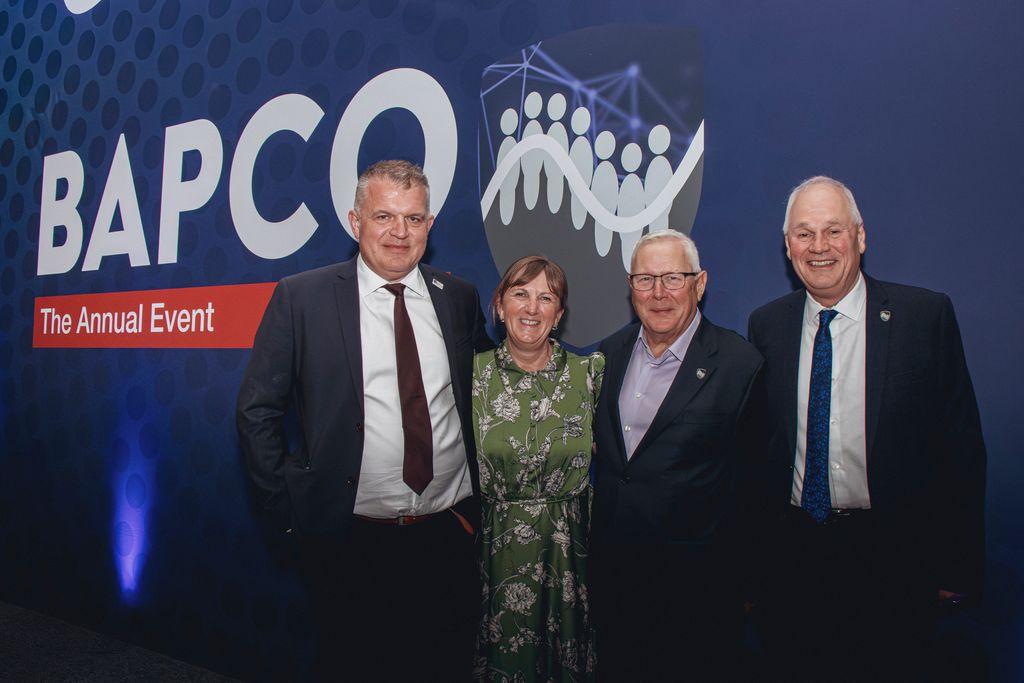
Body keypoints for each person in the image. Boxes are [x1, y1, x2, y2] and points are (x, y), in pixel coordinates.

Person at [236, 160, 493, 681]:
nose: (400, 232)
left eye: (414, 219)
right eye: (384, 216)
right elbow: (257, 410)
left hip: (447, 533)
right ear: (356, 222)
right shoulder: (301, 298)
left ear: (430, 225)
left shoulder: (459, 298)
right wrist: (289, 513)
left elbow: (491, 386)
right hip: (349, 542)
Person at [746, 176, 986, 680]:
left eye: (833, 231)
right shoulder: (766, 326)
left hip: (894, 558)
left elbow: (961, 448)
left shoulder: (924, 317)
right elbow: (757, 450)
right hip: (792, 560)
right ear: (788, 246)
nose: (819, 247)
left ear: (860, 237)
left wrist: (956, 563)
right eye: (804, 233)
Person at [591, 230, 765, 682]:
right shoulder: (608, 355)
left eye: (673, 277)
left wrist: (746, 583)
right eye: (645, 279)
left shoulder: (740, 363)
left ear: (699, 283)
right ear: (630, 287)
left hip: (698, 590)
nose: (659, 293)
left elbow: (754, 487)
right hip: (614, 582)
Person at [472, 256, 603, 682]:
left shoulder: (591, 375)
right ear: (499, 305)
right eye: (520, 294)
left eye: (546, 298)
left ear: (559, 314)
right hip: (492, 556)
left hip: (569, 560)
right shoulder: (469, 374)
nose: (532, 308)